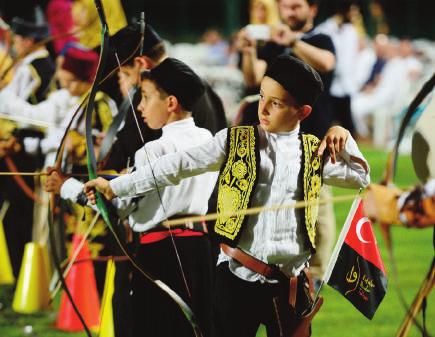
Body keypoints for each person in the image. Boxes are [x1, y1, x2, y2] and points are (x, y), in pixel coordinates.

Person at [84, 55, 370, 337]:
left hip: (290, 286)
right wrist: (117, 186)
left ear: (303, 112)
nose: (264, 109)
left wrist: (341, 133)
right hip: (237, 280)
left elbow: (360, 177)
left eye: (276, 103)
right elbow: (176, 166)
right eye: (261, 97)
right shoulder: (235, 141)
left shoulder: (312, 152)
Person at [49, 57, 218, 337]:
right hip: (200, 251)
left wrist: (65, 187)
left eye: (147, 97)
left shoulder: (152, 151)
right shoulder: (206, 140)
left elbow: (115, 204)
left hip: (159, 253)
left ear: (171, 103)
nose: (140, 106)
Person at [236, 0, 338, 288]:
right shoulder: (271, 45)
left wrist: (292, 40)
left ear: (313, 9)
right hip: (277, 137)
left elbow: (327, 63)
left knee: (318, 206)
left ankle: (316, 274)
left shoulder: (320, 38)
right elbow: (254, 78)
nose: (289, 13)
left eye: (296, 7)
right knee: (274, 198)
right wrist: (248, 51)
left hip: (314, 135)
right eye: (285, 7)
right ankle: (276, 264)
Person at [102, 23, 227, 172]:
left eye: (126, 73)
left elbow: (118, 159)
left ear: (141, 63)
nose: (124, 81)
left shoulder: (153, 96)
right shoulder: (201, 85)